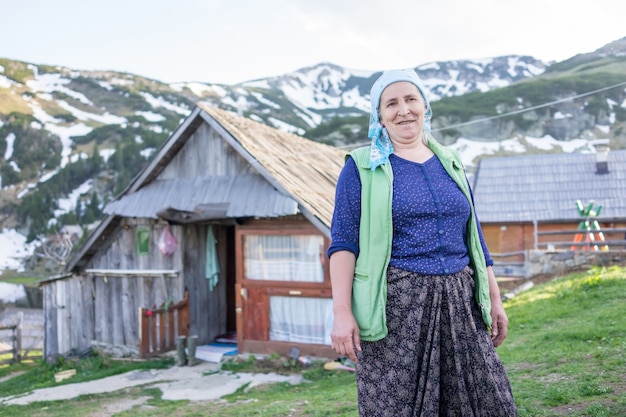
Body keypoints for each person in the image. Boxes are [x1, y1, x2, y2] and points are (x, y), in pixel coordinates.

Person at [327, 69, 517, 416]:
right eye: (392, 103)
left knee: (485, 402)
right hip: (398, 308)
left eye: (411, 99)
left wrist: (495, 298)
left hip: (462, 303)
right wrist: (341, 312)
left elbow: (473, 236)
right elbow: (343, 244)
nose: (404, 110)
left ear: (425, 106)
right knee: (402, 407)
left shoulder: (451, 161)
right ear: (379, 115)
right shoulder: (362, 167)